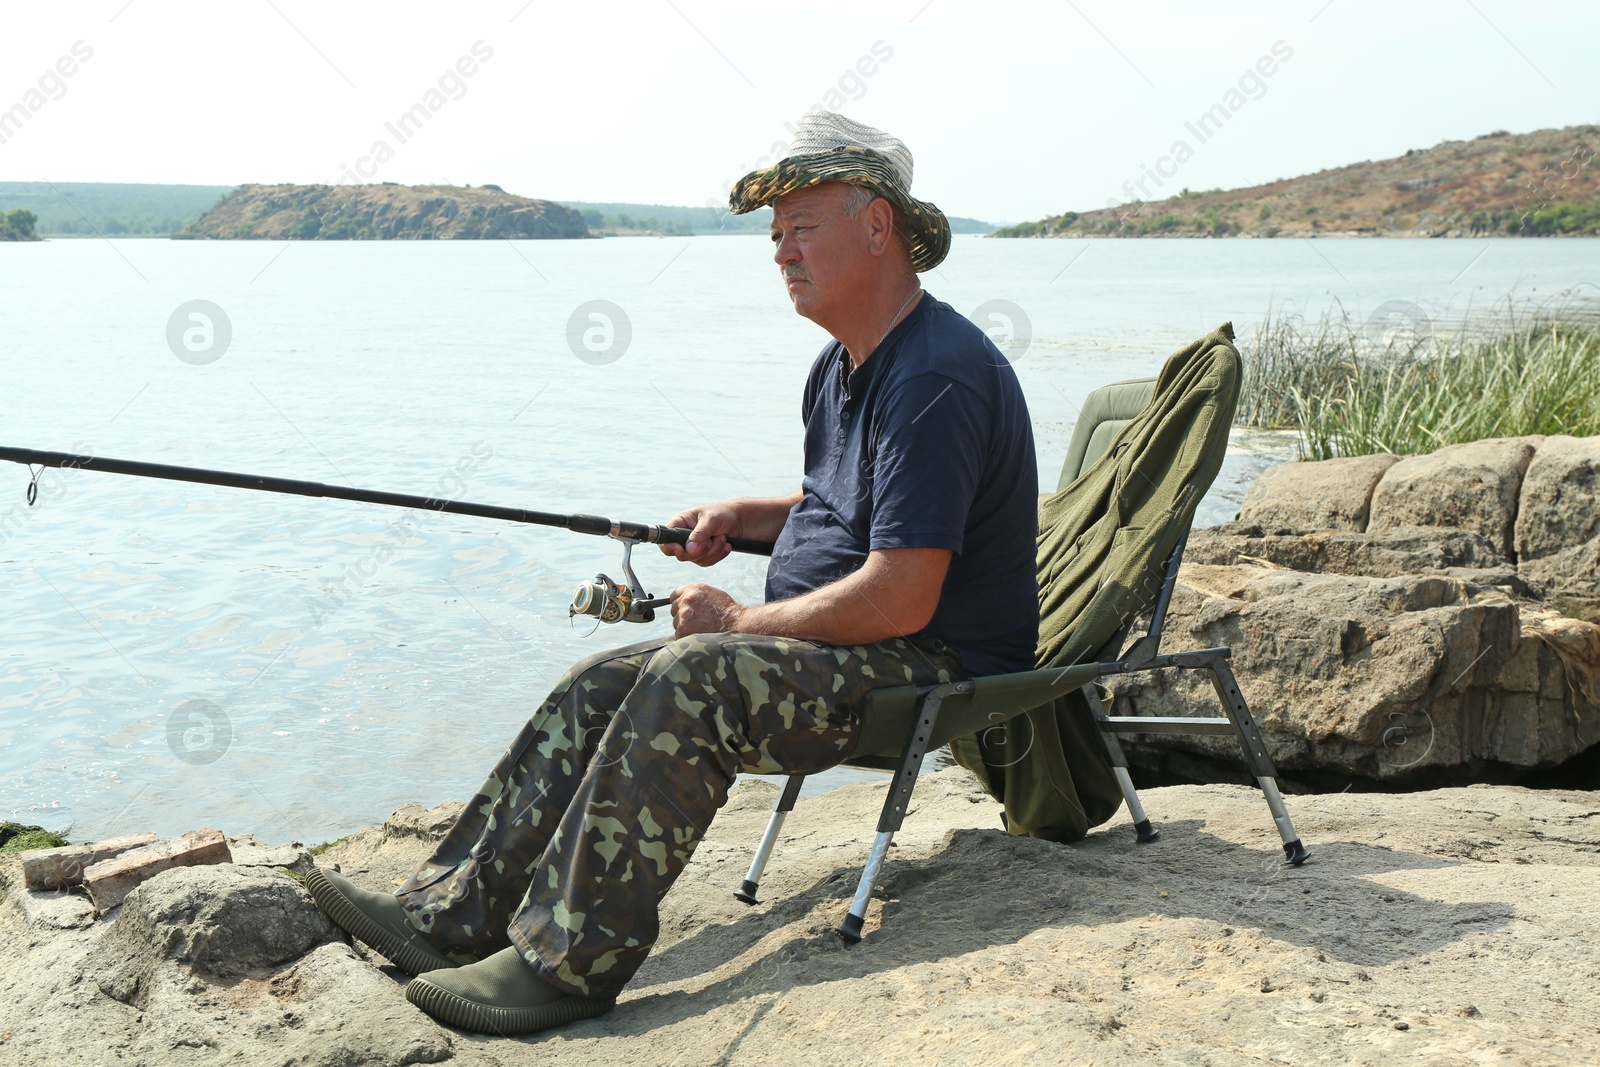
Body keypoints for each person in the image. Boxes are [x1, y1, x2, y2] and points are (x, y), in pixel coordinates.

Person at [303, 109, 1039, 1037]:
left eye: (800, 227)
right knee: (599, 682)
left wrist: (735, 624)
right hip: (858, 645)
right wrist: (743, 518)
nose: (779, 252)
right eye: (774, 234)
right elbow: (844, 511)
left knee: (691, 677)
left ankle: (565, 964)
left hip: (933, 661)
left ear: (878, 226)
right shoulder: (840, 366)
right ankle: (448, 916)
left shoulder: (938, 376)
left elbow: (902, 593)